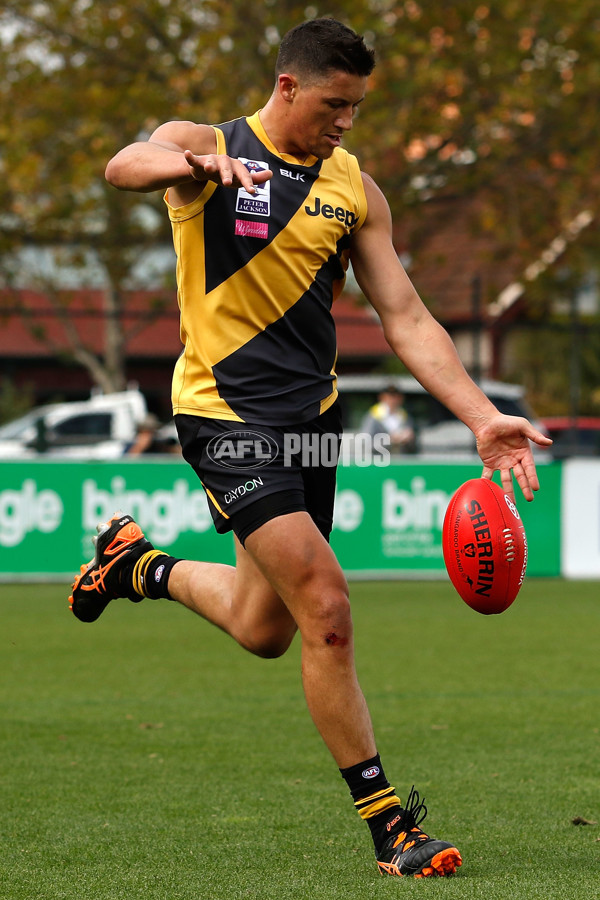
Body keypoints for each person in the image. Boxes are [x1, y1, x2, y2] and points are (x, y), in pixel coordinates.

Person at [69, 18, 552, 879]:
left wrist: (482, 415)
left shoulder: (354, 188)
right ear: (288, 85)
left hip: (312, 424)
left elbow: (404, 315)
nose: (346, 121)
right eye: (335, 103)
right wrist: (192, 169)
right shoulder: (207, 146)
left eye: (358, 107)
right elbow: (125, 163)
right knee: (327, 609)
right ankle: (391, 830)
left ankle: (136, 565)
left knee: (265, 629)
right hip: (222, 415)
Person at [361, 385, 415, 453]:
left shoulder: (405, 416)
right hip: (379, 460)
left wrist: (409, 439)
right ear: (382, 397)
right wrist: (390, 440)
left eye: (396, 397)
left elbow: (414, 448)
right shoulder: (373, 416)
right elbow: (365, 443)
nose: (393, 400)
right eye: (390, 396)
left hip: (400, 460)